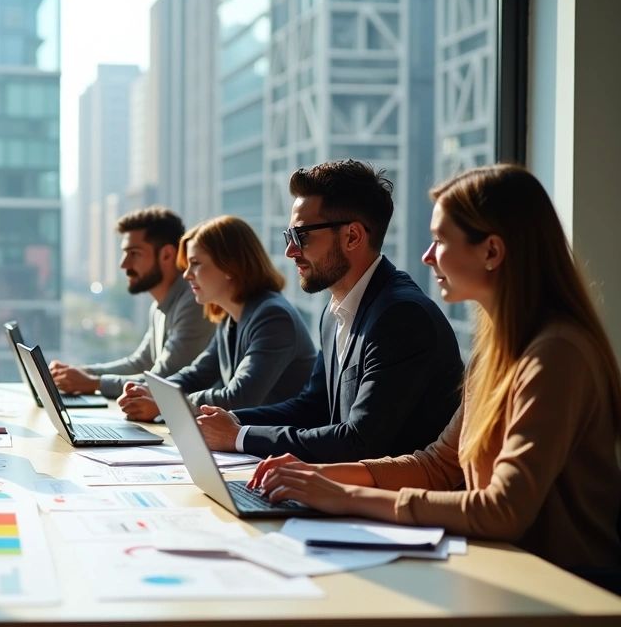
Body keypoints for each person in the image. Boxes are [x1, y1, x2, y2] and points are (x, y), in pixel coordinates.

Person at [248, 164, 621, 572]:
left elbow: (502, 509)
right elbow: (439, 466)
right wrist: (315, 476)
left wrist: (345, 496)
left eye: (439, 240)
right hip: (505, 574)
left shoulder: (556, 354)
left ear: (492, 251)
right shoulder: (497, 350)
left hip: (566, 592)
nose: (427, 257)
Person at [195, 160, 463, 463]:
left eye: (302, 236)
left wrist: (239, 437)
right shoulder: (334, 311)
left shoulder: (402, 316)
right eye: (289, 236)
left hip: (395, 502)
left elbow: (360, 441)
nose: (290, 251)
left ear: (352, 236)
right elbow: (315, 407)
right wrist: (228, 421)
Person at [117, 216, 316, 422]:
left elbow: (239, 397)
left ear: (229, 266)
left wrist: (166, 404)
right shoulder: (230, 317)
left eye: (195, 263)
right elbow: (197, 375)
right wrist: (150, 391)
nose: (186, 275)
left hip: (281, 447)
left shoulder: (274, 317)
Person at [50, 206, 216, 398]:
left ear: (167, 255)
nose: (124, 264)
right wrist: (82, 373)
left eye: (134, 253)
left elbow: (163, 380)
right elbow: (141, 363)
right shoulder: (159, 306)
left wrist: (93, 383)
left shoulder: (194, 302)